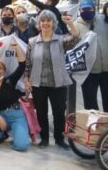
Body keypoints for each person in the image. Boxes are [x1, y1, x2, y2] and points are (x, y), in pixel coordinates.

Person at [24, 10, 79, 149]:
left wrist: (70, 23)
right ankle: (44, 139)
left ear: (53, 23)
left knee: (59, 113)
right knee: (41, 113)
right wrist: (26, 79)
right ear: (39, 23)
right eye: (43, 20)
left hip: (58, 83)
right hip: (38, 84)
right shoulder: (32, 42)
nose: (45, 23)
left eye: (48, 20)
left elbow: (76, 37)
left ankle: (59, 138)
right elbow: (28, 62)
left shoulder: (61, 40)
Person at [74, 0, 108, 111]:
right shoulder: (76, 25)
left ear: (94, 8)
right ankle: (94, 127)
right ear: (79, 10)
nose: (86, 11)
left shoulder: (104, 20)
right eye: (84, 9)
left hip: (107, 70)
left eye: (89, 9)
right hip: (88, 72)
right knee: (90, 104)